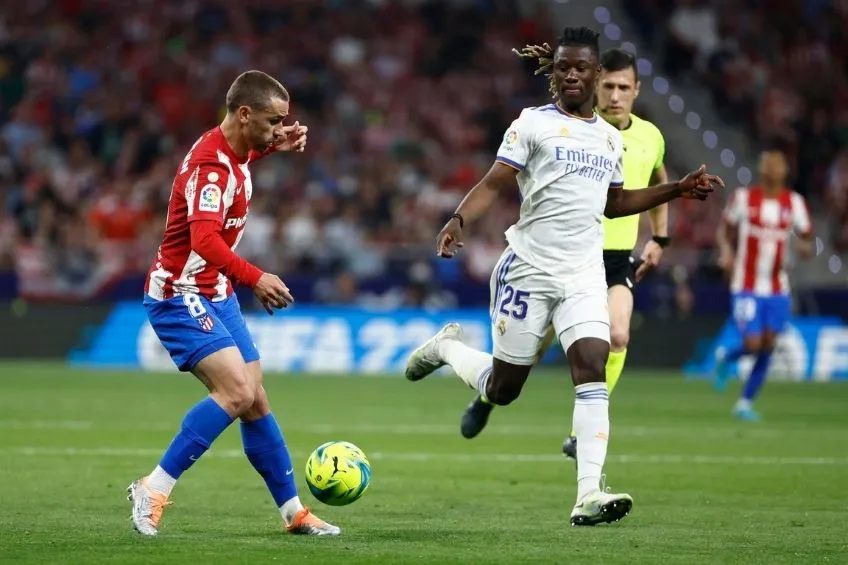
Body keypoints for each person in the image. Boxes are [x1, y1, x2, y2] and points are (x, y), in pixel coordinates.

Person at [403, 27, 722, 526]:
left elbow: (615, 203)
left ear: (596, 75)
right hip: (527, 269)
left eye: (581, 68)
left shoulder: (609, 139)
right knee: (505, 388)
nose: (572, 75)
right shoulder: (532, 124)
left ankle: (588, 494)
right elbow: (494, 181)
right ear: (554, 74)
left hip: (583, 273)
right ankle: (447, 348)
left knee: (593, 363)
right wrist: (459, 219)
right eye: (564, 67)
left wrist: (676, 190)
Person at [128, 70, 340, 537]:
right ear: (244, 114)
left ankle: (293, 513)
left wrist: (271, 144)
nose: (282, 126)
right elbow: (203, 239)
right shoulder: (212, 168)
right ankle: (154, 487)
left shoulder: (235, 149)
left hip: (214, 292)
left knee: (255, 399)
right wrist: (256, 277)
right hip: (180, 294)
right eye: (273, 120)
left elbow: (242, 155)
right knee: (237, 392)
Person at [460, 46, 670, 460]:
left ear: (636, 90)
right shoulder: (571, 128)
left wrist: (660, 239)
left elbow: (657, 181)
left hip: (613, 258)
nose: (614, 95)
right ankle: (487, 398)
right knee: (530, 355)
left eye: (622, 88)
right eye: (607, 85)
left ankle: (581, 435)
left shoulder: (649, 137)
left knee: (618, 334)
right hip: (557, 258)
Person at [714, 146, 813, 421]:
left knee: (768, 344)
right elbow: (725, 230)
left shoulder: (793, 203)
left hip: (778, 289)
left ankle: (744, 402)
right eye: (768, 165)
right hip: (745, 285)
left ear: (784, 171)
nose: (772, 170)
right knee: (754, 342)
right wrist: (726, 251)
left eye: (777, 165)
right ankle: (727, 357)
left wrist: (805, 248)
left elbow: (807, 237)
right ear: (761, 170)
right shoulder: (743, 199)